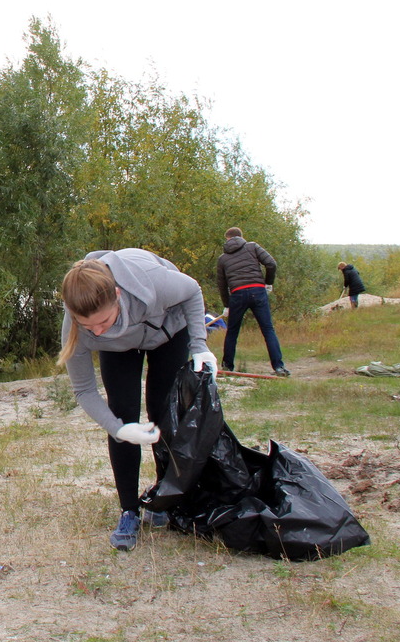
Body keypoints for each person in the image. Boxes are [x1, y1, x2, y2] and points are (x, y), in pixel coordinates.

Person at [58, 249, 217, 552]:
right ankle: (129, 510)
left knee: (163, 409)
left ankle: (163, 497)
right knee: (122, 412)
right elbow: (84, 391)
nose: (97, 330)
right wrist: (118, 429)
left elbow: (192, 290)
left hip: (167, 331)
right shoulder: (80, 328)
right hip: (119, 350)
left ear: (117, 294)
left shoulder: (151, 283)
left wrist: (199, 346)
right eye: (88, 326)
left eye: (103, 321)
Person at [215, 227, 290, 377]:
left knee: (232, 332)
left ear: (227, 239)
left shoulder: (222, 259)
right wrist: (268, 283)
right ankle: (279, 367)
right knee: (268, 329)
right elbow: (271, 264)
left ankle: (227, 367)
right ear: (241, 236)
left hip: (237, 294)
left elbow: (222, 284)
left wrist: (226, 305)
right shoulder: (252, 247)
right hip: (257, 291)